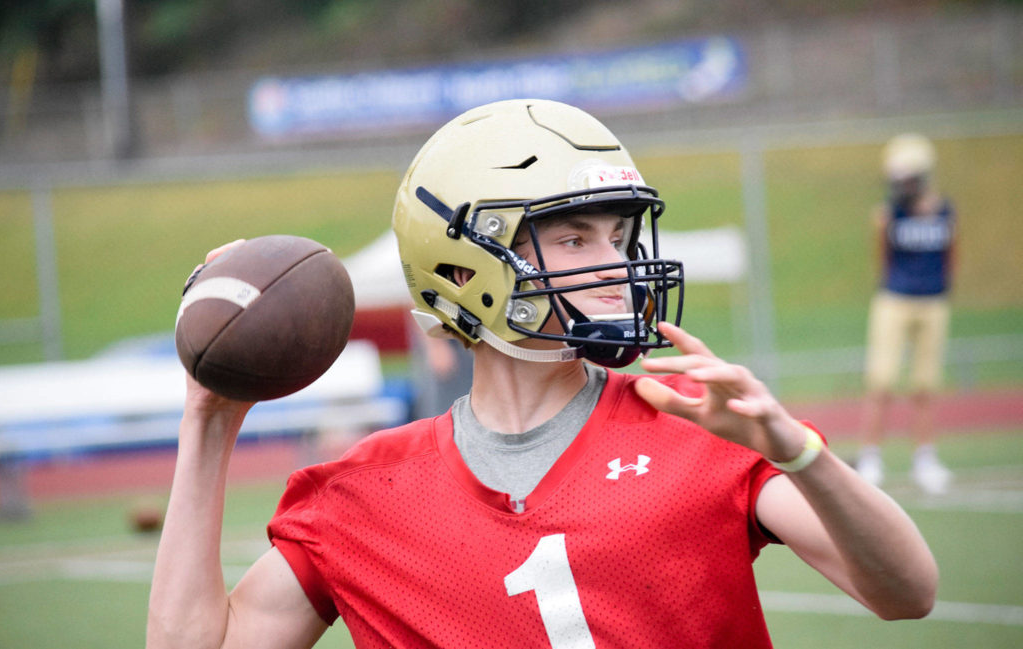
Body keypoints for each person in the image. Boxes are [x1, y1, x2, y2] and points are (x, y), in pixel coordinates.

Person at [148, 100, 937, 649]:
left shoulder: (697, 416)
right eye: (573, 239)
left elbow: (907, 592)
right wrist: (209, 420)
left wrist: (801, 452)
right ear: (464, 265)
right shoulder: (359, 498)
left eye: (619, 236)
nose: (616, 266)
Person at [857, 133, 956, 495]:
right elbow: (881, 259)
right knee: (881, 381)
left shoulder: (945, 211)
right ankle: (871, 458)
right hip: (895, 299)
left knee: (925, 385)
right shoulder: (887, 214)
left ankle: (925, 459)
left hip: (933, 301)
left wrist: (940, 289)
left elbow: (951, 256)